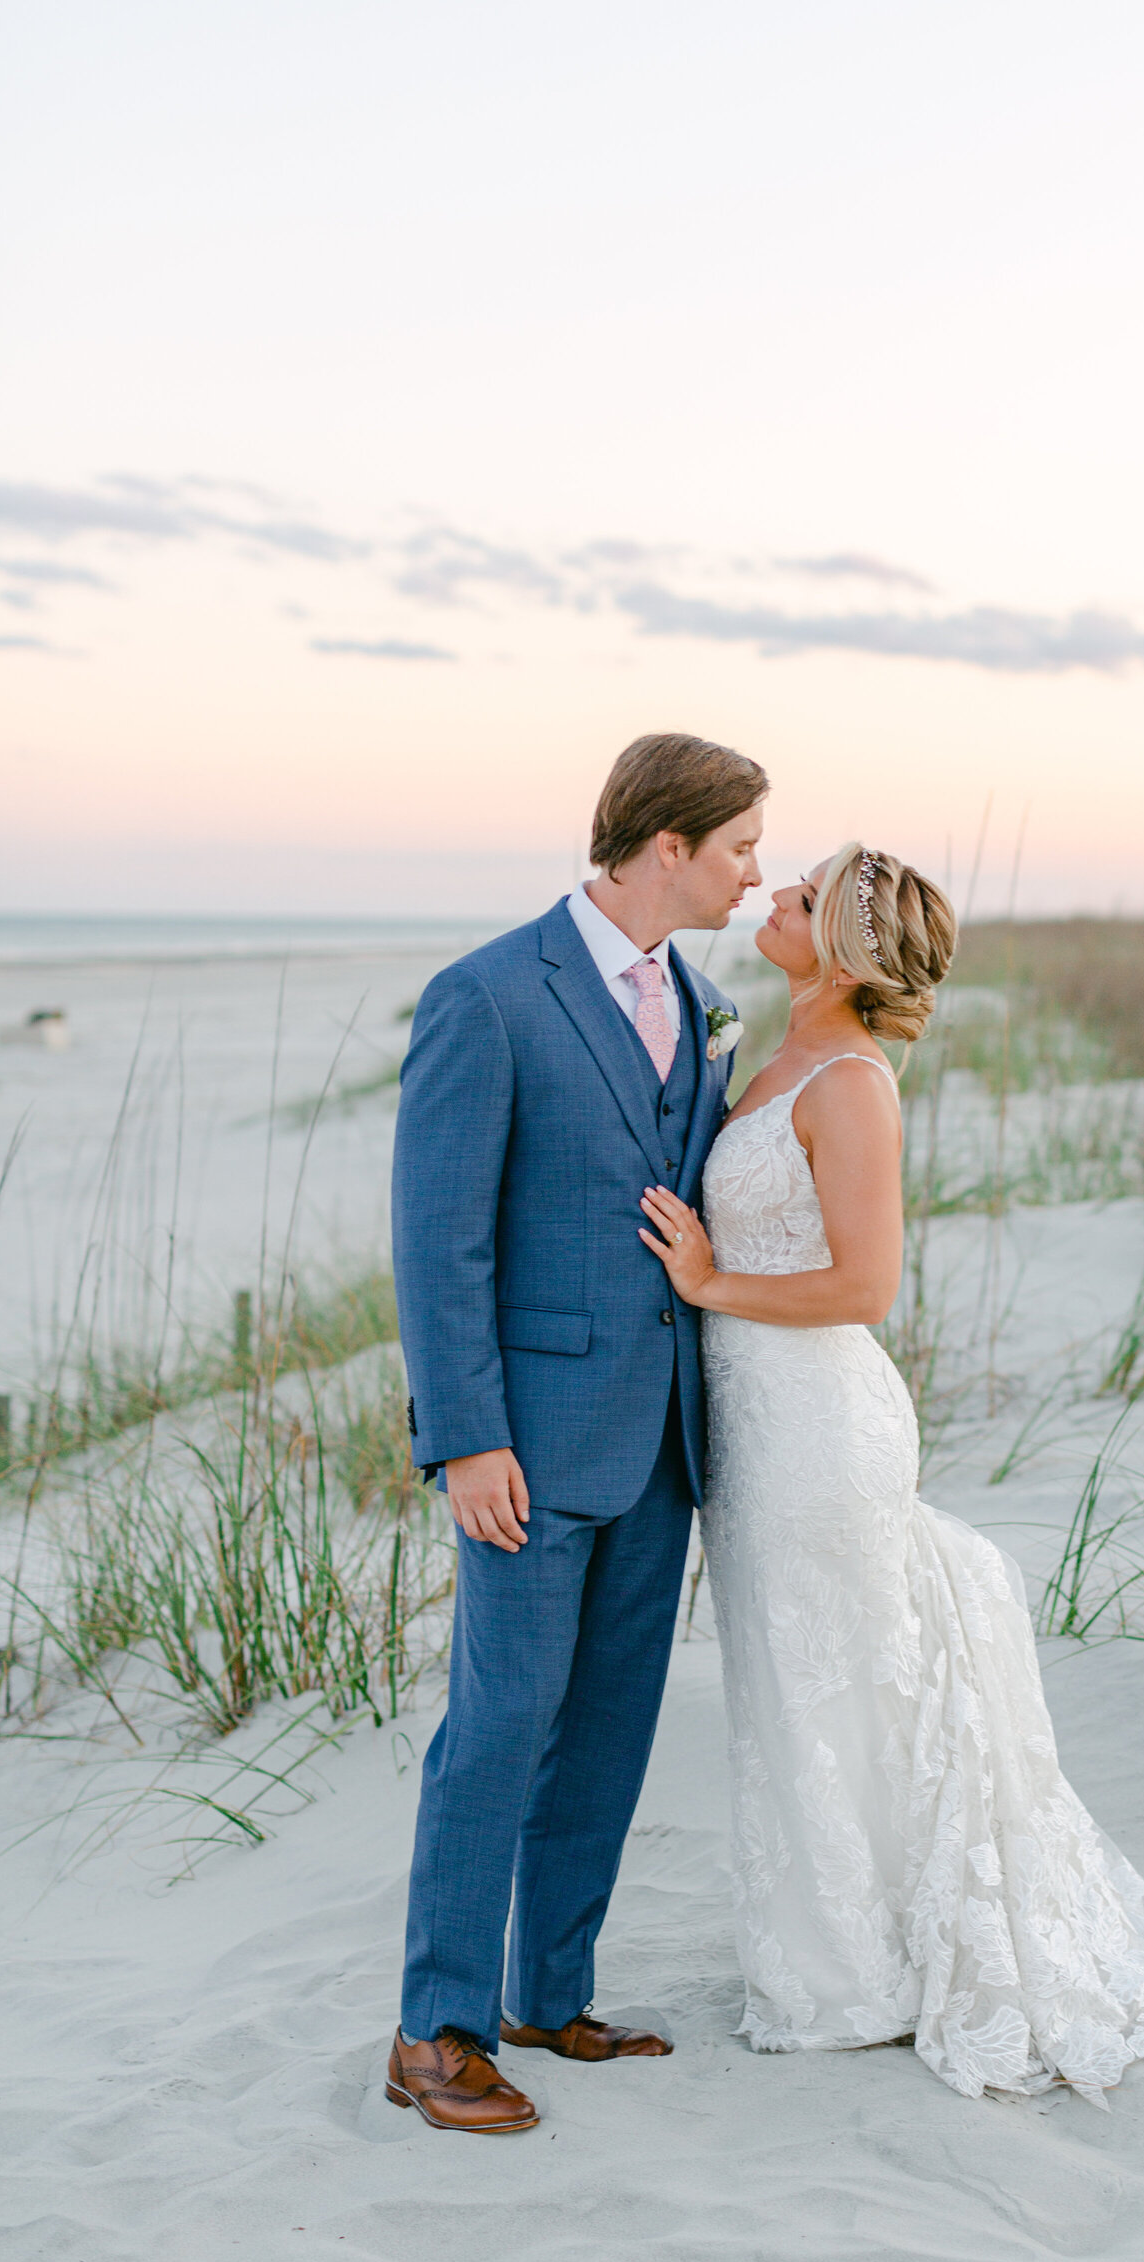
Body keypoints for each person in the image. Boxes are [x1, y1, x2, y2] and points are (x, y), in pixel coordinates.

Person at [639, 844, 1144, 2100]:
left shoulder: (853, 1081)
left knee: (839, 1673)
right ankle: (839, 1954)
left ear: (847, 949)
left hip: (817, 1419)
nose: (776, 902)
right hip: (753, 1421)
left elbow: (865, 1286)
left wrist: (705, 1284)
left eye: (801, 898)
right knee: (792, 1676)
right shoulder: (764, 1055)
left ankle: (870, 1973)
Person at [383, 732, 764, 2133]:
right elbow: (439, 1241)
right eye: (740, 849)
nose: (753, 873)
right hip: (526, 1451)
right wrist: (466, 1436)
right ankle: (436, 2029)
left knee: (608, 1730)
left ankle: (550, 1993)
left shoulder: (708, 1003)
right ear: (670, 845)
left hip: (660, 1442)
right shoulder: (488, 997)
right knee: (497, 1728)